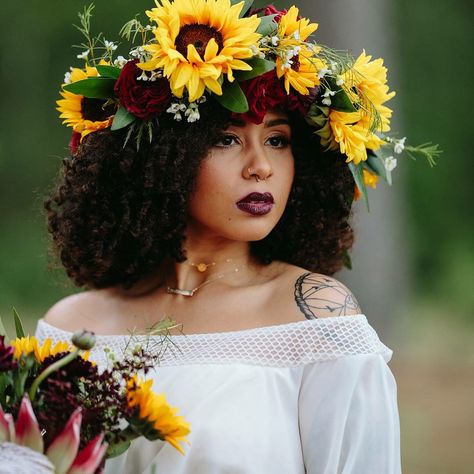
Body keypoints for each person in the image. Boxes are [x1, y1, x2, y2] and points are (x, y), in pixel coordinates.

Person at [35, 1, 404, 472]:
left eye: (277, 140)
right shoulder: (70, 330)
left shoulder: (317, 319)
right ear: (162, 159)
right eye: (226, 139)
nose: (261, 167)